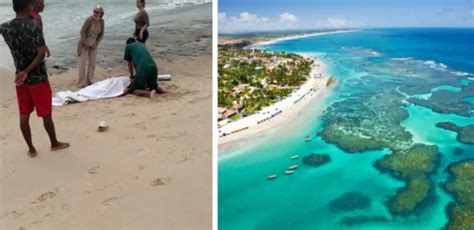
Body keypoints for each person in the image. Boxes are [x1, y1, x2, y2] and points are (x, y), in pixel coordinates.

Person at [0, 0, 69, 157]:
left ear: (13, 8)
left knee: (24, 115)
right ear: (27, 7)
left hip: (20, 78)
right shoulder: (33, 25)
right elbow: (41, 53)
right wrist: (27, 71)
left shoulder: (4, 27)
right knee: (46, 114)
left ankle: (31, 149)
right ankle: (54, 143)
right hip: (37, 77)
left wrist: (22, 72)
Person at [76, 5, 104, 88]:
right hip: (84, 43)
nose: (95, 13)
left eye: (97, 12)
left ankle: (90, 80)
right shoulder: (89, 20)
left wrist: (96, 44)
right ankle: (81, 83)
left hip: (94, 43)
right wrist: (85, 43)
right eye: (94, 11)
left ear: (101, 14)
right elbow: (82, 32)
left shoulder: (102, 22)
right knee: (82, 63)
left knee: (92, 63)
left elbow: (101, 34)